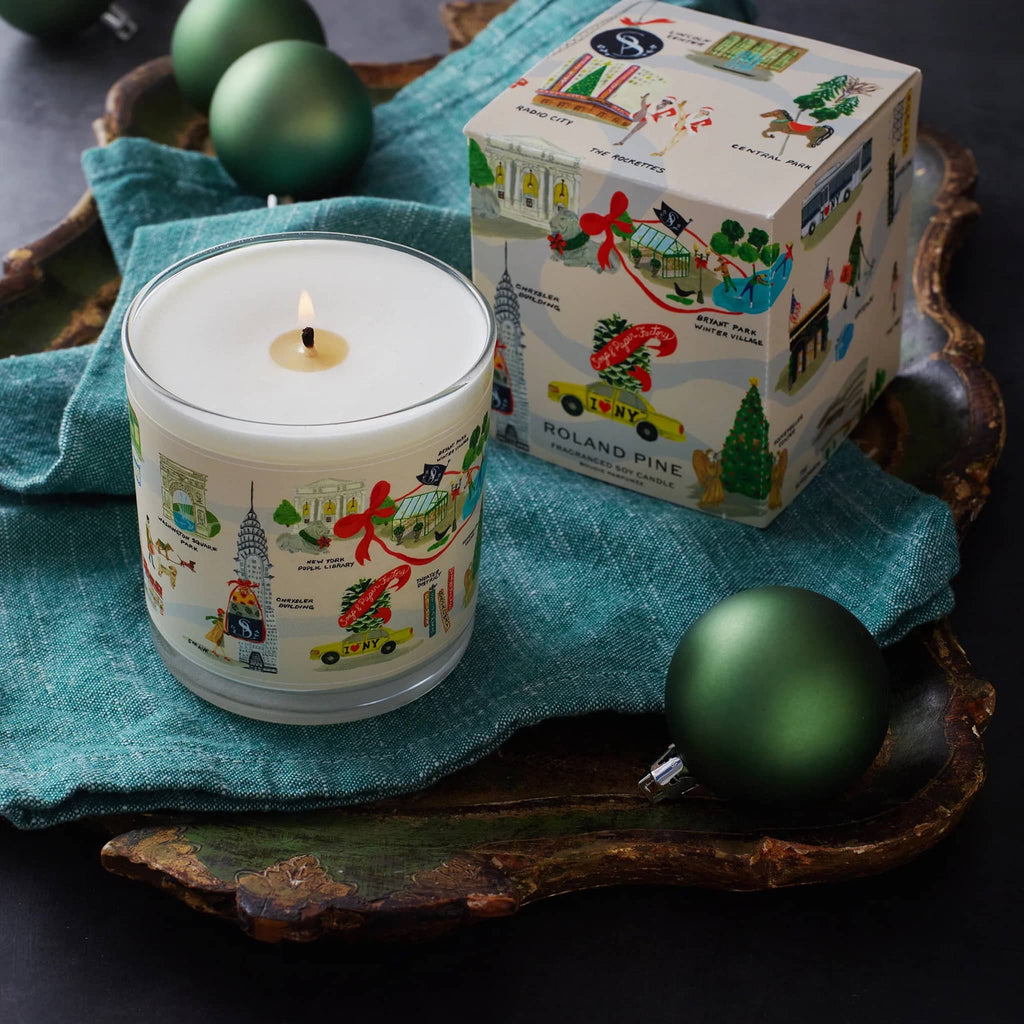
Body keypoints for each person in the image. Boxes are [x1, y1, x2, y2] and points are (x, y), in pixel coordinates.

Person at [843, 211, 873, 310]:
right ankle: (846, 300)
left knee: (855, 277)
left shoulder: (855, 239)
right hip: (854, 263)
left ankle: (856, 291)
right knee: (852, 279)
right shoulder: (856, 239)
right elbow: (861, 249)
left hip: (855, 262)